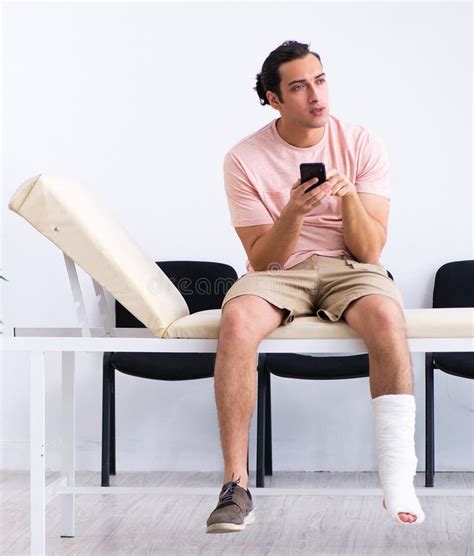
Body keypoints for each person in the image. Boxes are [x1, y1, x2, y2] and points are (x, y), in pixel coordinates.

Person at [206, 40, 425, 534]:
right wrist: (294, 213)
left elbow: (371, 252)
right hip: (282, 271)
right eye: (299, 87)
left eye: (320, 80)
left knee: (389, 317)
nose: (315, 96)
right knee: (238, 318)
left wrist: (348, 199)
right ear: (274, 99)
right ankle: (235, 486)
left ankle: (397, 477)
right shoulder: (243, 158)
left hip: (351, 264)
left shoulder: (363, 143)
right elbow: (262, 259)